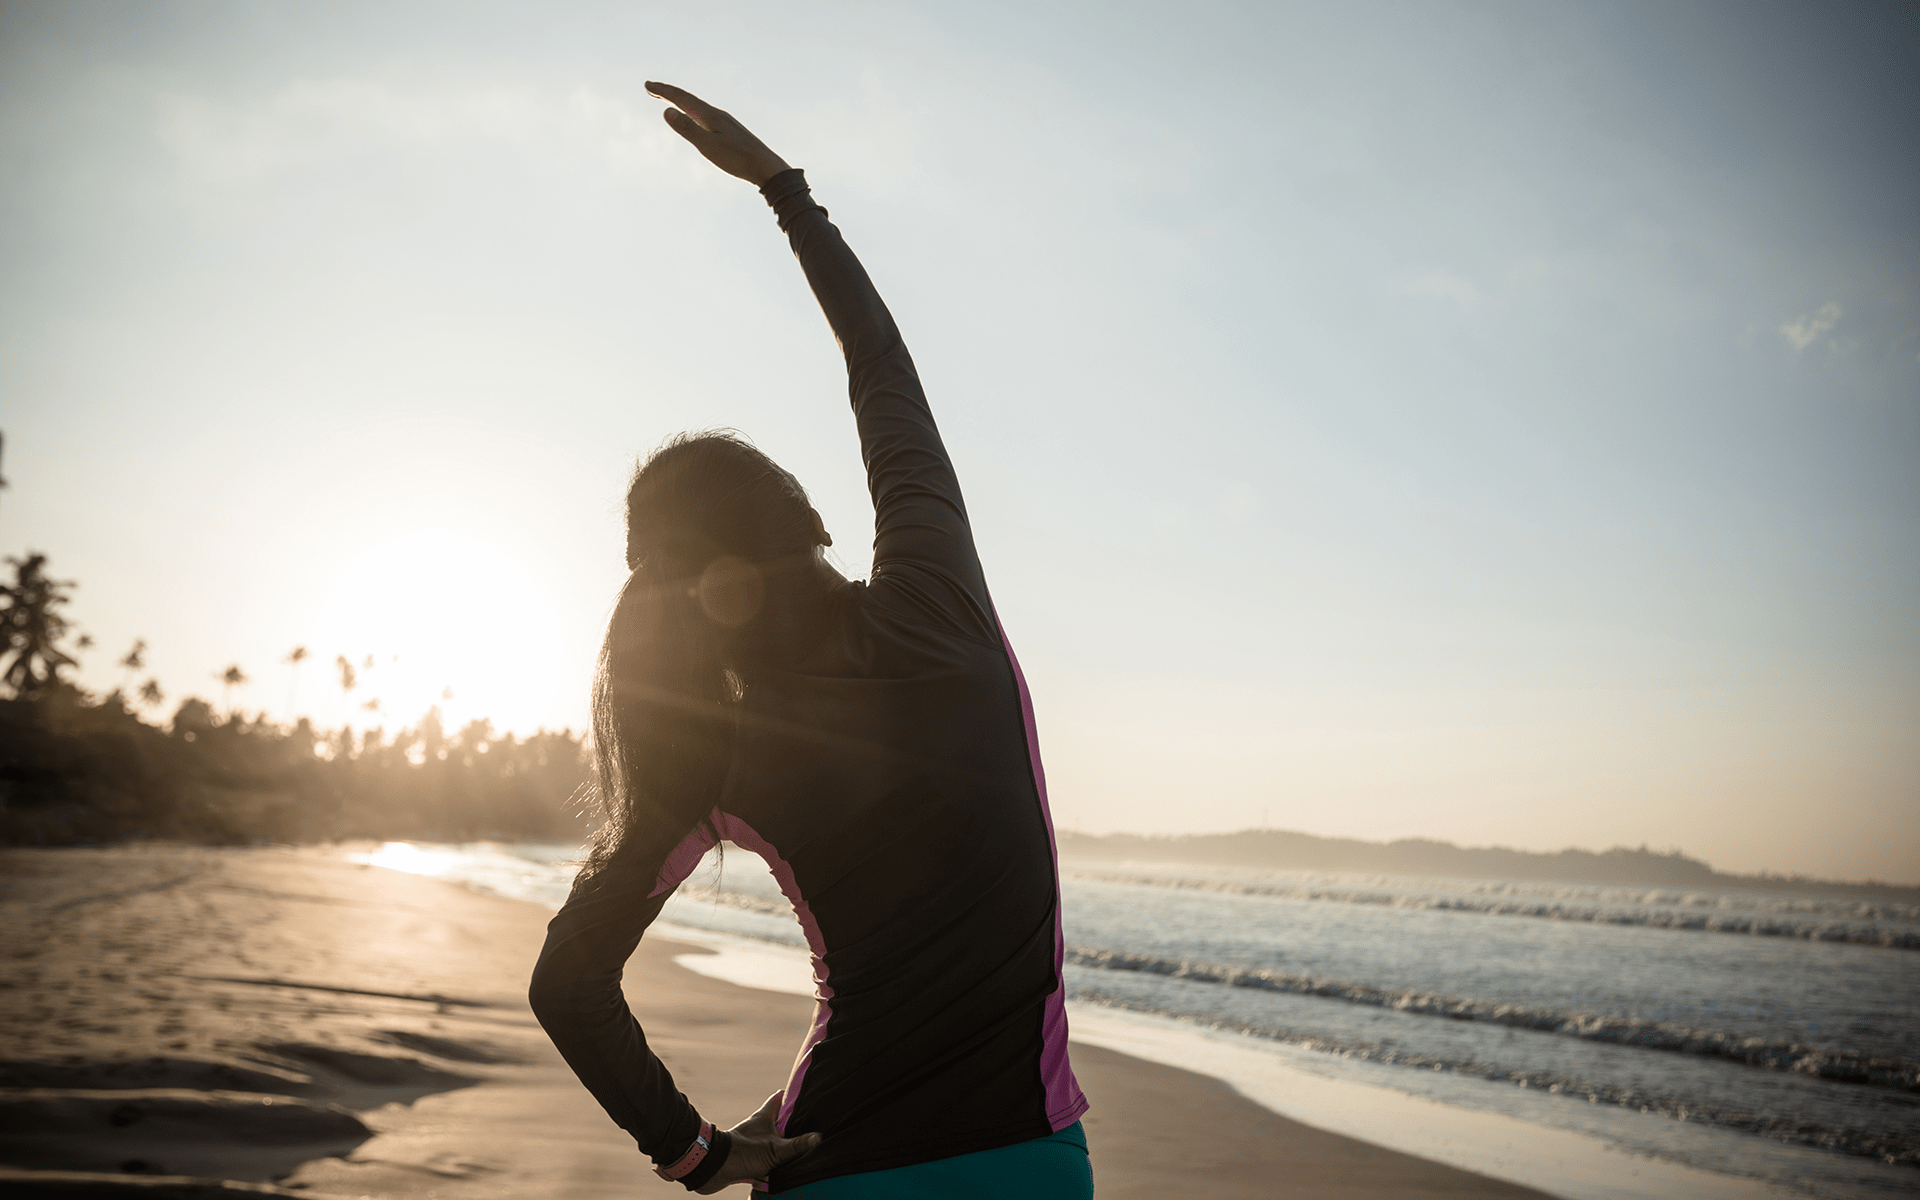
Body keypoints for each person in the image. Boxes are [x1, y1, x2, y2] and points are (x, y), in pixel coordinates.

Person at [527, 83, 1092, 1197]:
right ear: (802, 510)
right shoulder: (941, 600)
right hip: (1027, 1160)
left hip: (832, 1161)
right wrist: (789, 196)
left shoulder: (714, 757)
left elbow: (567, 983)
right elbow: (883, 372)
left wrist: (693, 1151)